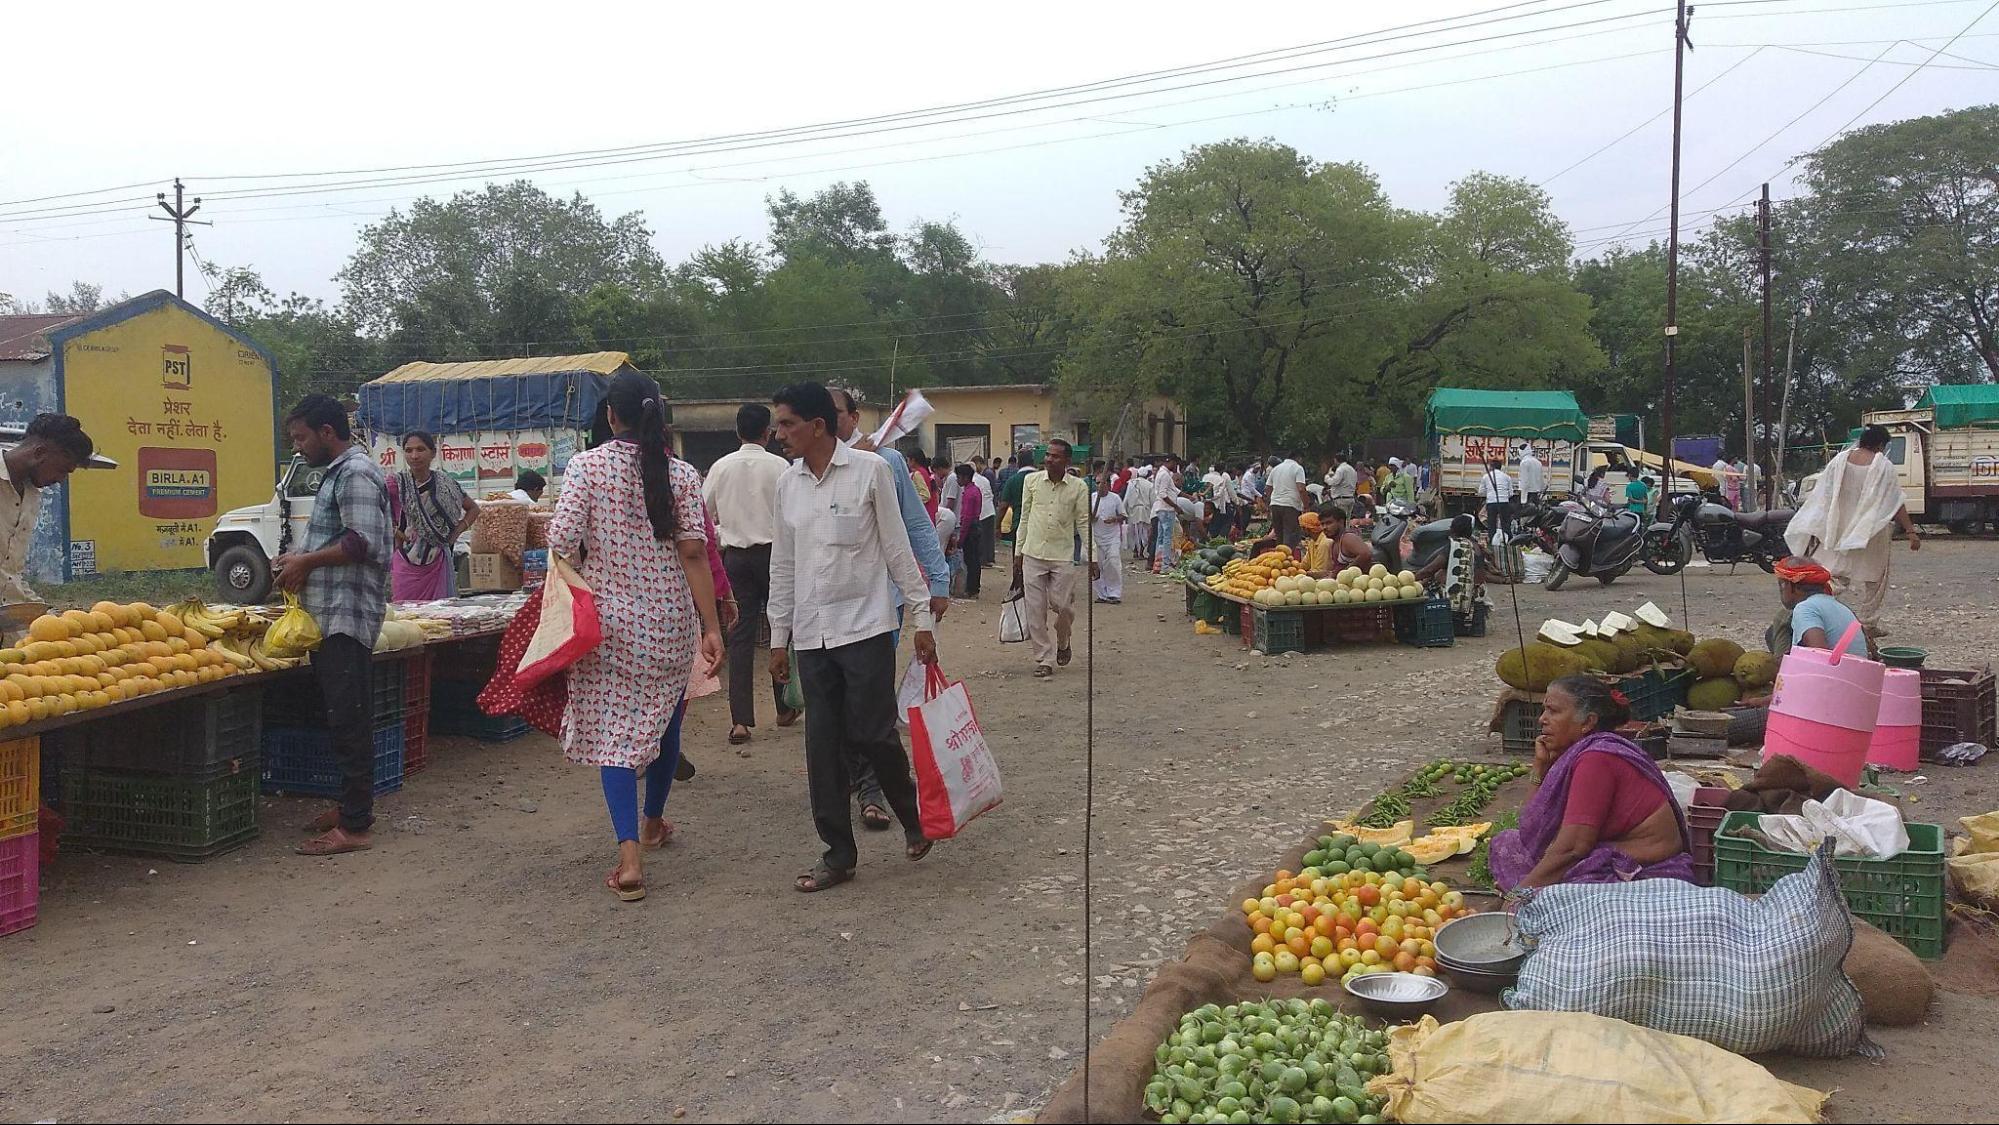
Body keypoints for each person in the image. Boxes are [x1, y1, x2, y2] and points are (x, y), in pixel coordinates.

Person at [546, 373, 722, 900]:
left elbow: (561, 539)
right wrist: (712, 627)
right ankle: (653, 822)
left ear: (610, 416)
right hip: (670, 623)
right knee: (665, 727)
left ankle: (629, 858)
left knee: (616, 738)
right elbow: (694, 552)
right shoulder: (683, 474)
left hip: (609, 627)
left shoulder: (586, 467)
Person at [767, 382, 941, 893]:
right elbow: (783, 565)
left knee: (872, 732)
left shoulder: (872, 472)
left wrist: (922, 618)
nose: (779, 435)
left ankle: (912, 816)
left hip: (865, 628)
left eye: (787, 424)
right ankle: (838, 853)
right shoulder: (787, 486)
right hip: (811, 638)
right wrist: (779, 637)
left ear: (817, 426)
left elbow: (897, 548)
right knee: (822, 745)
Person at [274, 396, 393, 858]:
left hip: (347, 615)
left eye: (302, 437)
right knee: (341, 716)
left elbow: (360, 542)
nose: (298, 447)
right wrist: (297, 560)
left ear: (327, 432)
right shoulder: (338, 473)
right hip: (330, 614)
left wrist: (307, 561)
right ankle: (350, 809)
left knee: (349, 719)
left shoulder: (356, 472)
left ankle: (357, 825)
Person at [1487, 675, 1696, 890]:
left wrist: (1518, 896)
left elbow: (1573, 848)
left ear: (1587, 722)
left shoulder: (1597, 759)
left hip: (1645, 869)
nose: (1542, 719)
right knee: (1509, 844)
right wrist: (1541, 766)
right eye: (1544, 710)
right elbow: (1532, 826)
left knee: (1558, 877)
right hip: (1609, 849)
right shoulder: (1583, 752)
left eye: (1554, 711)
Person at [703, 403, 797, 746]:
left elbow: (703, 516)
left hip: (736, 560)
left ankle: (740, 721)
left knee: (740, 636)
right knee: (781, 629)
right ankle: (785, 706)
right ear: (768, 433)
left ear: (738, 432)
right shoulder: (781, 467)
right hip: (776, 557)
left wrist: (724, 533)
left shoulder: (720, 467)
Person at [1786, 424, 1919, 640]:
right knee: (1876, 577)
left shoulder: (1838, 462)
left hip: (1838, 527)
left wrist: (1816, 527)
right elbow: (1896, 501)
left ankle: (1809, 610)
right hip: (1872, 531)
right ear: (1880, 445)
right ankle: (1868, 623)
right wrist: (1911, 531)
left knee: (1835, 574)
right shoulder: (1883, 466)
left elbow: (1823, 496)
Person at [1014, 438, 1095, 678]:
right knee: (1035, 611)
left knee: (1064, 608)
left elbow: (1083, 523)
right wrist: (1018, 553)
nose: (1049, 459)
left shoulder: (1079, 487)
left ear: (1067, 461)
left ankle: (1063, 640)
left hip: (1062, 556)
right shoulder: (1031, 481)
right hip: (1033, 553)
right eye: (1047, 455)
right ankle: (1044, 659)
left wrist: (1093, 555)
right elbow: (1024, 519)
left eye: (1055, 456)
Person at [0, 413, 96, 602]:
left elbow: (10, 573)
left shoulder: (31, 494)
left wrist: (41, 612)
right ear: (39, 453)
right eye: (63, 470)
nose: (61, 480)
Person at [387, 432, 479, 603]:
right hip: (406, 561)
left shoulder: (446, 484)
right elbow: (381, 513)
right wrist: (398, 535)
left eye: (420, 449)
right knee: (406, 615)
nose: (414, 456)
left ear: (433, 453)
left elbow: (473, 509)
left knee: (439, 616)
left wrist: (456, 534)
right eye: (409, 450)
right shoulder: (396, 484)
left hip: (437, 560)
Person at [1768, 556, 1864, 658]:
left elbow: (1819, 655)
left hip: (1833, 673)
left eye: (1781, 585)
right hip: (1857, 671)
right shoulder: (1842, 607)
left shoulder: (1805, 608)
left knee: (1782, 616)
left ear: (1791, 586)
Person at [1301, 506, 1373, 577]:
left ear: (1341, 522)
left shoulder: (1348, 538)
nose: (1325, 527)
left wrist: (1344, 573)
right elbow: (1336, 571)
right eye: (1322, 524)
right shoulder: (1334, 544)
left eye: (1329, 523)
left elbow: (1365, 554)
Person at [1091, 470, 1126, 604]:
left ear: (1108, 485)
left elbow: (1123, 515)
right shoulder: (1092, 498)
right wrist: (1092, 517)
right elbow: (1085, 518)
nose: (1100, 485)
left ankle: (1114, 593)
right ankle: (1102, 594)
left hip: (1112, 537)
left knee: (1113, 562)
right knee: (1097, 565)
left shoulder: (1115, 498)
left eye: (1103, 483)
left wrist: (1114, 519)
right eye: (1097, 483)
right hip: (1096, 537)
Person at [953, 464, 986, 597]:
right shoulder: (975, 490)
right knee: (974, 560)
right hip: (976, 525)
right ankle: (974, 588)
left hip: (970, 528)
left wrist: (961, 537)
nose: (957, 480)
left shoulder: (969, 493)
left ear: (965, 477)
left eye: (959, 477)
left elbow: (966, 517)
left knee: (970, 560)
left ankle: (971, 589)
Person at [1266, 453, 1309, 550]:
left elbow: (1268, 488)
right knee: (1290, 535)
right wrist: (1306, 506)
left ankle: (1279, 558)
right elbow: (1301, 488)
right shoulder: (1298, 468)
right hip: (1290, 505)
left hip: (1275, 504)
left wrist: (1271, 501)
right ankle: (1287, 559)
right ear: (1298, 457)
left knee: (1279, 535)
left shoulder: (1276, 469)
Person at [1151, 457, 1185, 571]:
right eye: (1175, 464)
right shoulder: (1165, 475)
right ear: (1170, 462)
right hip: (1166, 509)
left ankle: (1158, 565)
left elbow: (1174, 490)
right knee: (1167, 538)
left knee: (1161, 538)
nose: (1176, 467)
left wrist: (1188, 497)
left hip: (1161, 509)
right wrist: (1176, 507)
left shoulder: (1162, 473)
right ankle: (1165, 565)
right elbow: (1163, 494)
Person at [1123, 465, 1155, 561]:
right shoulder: (1150, 485)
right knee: (1144, 533)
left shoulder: (1131, 483)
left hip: (1133, 511)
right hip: (1145, 511)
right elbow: (1153, 500)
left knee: (1134, 532)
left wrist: (1123, 511)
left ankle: (1135, 551)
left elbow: (1126, 498)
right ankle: (1140, 551)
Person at [1479, 457, 1515, 538]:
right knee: (1505, 525)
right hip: (1504, 503)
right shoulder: (1507, 477)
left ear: (1491, 467)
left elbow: (1481, 492)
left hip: (1491, 503)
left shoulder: (1486, 476)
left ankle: (1492, 542)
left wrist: (1490, 494)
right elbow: (1511, 493)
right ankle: (1509, 542)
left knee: (1492, 525)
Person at [1518, 445, 1546, 510]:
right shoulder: (1538, 462)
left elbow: (1524, 481)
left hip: (1527, 493)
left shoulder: (1524, 462)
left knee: (1525, 515)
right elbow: (1541, 479)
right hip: (1536, 493)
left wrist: (1523, 499)